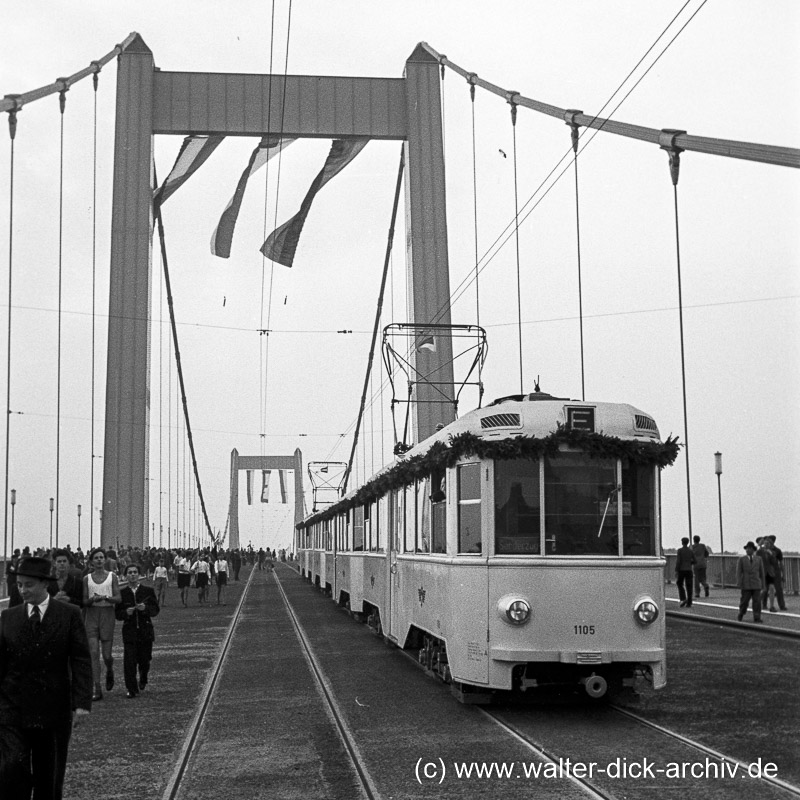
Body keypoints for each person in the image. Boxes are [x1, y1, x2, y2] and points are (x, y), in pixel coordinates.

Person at [0, 556, 93, 799]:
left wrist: (81, 703)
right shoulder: (8, 618)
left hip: (52, 709)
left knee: (49, 776)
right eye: (19, 585)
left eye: (28, 585)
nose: (22, 590)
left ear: (44, 584)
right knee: (11, 766)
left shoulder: (69, 614)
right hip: (13, 707)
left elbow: (80, 659)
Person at [115, 565, 159, 699]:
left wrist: (145, 609)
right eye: (130, 573)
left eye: (135, 572)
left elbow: (155, 610)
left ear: (139, 575)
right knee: (129, 661)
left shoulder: (148, 591)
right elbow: (117, 613)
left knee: (145, 659)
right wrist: (125, 613)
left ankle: (143, 677)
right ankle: (131, 688)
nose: (132, 575)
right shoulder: (122, 593)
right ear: (125, 576)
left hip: (145, 630)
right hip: (130, 631)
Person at [82, 548, 122, 700]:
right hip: (92, 615)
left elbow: (118, 598)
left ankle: (109, 668)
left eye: (101, 557)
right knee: (93, 653)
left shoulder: (112, 577)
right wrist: (92, 600)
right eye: (96, 558)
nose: (99, 560)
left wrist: (107, 598)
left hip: (107, 614)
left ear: (105, 560)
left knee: (106, 655)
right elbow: (84, 600)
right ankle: (97, 688)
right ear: (91, 561)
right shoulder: (87, 579)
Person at [736, 541, 765, 622]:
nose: (748, 550)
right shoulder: (742, 559)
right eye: (747, 549)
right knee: (744, 601)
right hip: (746, 583)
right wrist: (739, 582)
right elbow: (739, 572)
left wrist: (763, 584)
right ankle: (741, 613)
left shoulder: (758, 559)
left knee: (757, 602)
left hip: (756, 583)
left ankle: (757, 617)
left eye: (750, 549)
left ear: (753, 550)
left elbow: (761, 572)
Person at [756, 537, 779, 612]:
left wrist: (771, 554)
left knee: (772, 588)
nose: (766, 545)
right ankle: (757, 602)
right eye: (765, 543)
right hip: (762, 572)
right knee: (764, 590)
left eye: (768, 543)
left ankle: (772, 606)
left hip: (770, 572)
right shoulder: (759, 552)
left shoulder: (772, 552)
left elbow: (774, 562)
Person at [768, 535, 787, 611]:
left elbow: (781, 563)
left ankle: (782, 605)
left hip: (776, 571)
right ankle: (764, 604)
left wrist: (783, 574)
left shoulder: (778, 551)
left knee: (778, 589)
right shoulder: (765, 550)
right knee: (766, 589)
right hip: (767, 570)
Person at [674, 537, 695, 608]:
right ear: (688, 542)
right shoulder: (690, 551)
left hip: (681, 570)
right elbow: (695, 561)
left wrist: (676, 570)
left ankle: (683, 598)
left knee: (679, 583)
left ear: (682, 542)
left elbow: (678, 561)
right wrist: (689, 563)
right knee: (689, 586)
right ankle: (689, 602)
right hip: (689, 570)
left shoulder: (680, 550)